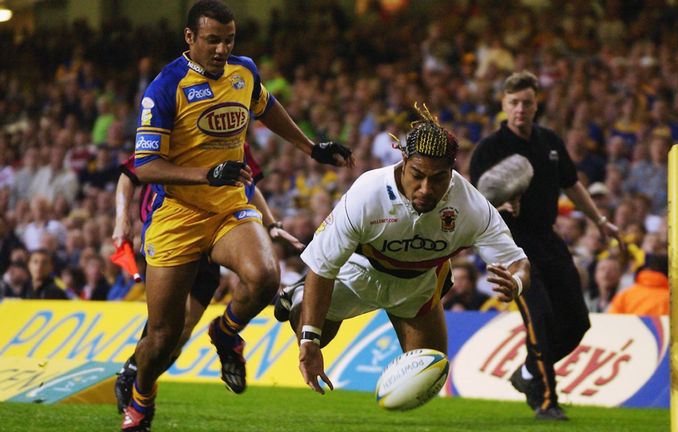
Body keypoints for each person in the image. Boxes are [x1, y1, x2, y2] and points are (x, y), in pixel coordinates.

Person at [121, 1, 353, 430]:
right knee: (162, 335)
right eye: (213, 40)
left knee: (266, 277)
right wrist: (206, 173)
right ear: (190, 39)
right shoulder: (164, 87)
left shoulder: (243, 72)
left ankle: (225, 333)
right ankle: (142, 395)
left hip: (229, 207)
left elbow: (266, 108)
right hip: (177, 215)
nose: (222, 49)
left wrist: (310, 147)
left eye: (229, 39)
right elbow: (145, 166)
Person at [274, 104, 530, 397]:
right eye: (418, 175)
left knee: (428, 378)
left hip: (416, 288)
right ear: (403, 161)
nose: (425, 188)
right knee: (312, 332)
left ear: (452, 171)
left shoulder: (469, 206)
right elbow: (323, 267)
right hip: (357, 274)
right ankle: (298, 295)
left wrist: (517, 282)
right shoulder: (368, 193)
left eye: (438, 178)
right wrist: (309, 342)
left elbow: (517, 262)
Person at [469, 71, 621, 421]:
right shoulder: (490, 149)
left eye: (527, 102)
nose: (521, 109)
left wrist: (599, 221)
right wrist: (500, 205)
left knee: (576, 323)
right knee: (539, 317)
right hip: (509, 245)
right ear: (504, 106)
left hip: (548, 238)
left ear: (537, 105)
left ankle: (527, 374)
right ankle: (547, 401)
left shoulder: (550, 142)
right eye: (514, 103)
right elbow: (474, 200)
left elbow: (572, 185)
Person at [112, 145, 304, 414]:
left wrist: (272, 224)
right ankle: (133, 374)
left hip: (213, 236)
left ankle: (144, 377)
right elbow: (130, 174)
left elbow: (248, 185)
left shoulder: (233, 137)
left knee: (182, 331)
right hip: (172, 233)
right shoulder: (174, 131)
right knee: (170, 326)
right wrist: (122, 219)